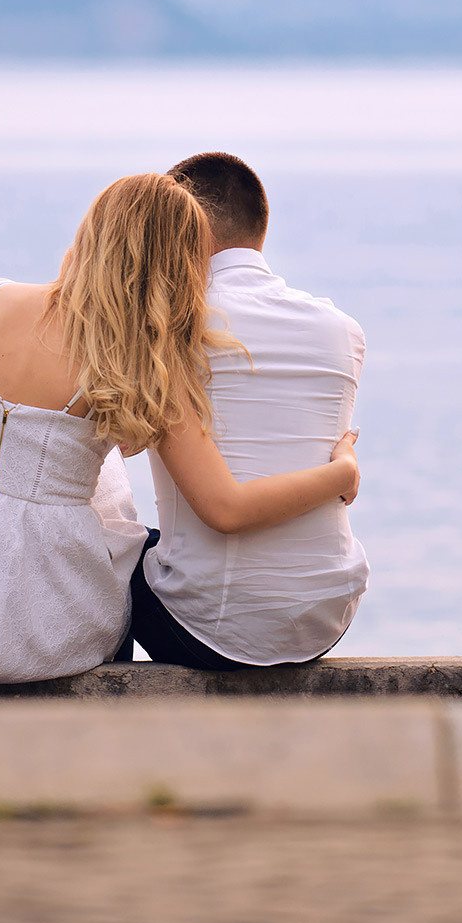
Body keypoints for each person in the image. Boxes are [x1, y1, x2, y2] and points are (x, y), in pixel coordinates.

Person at [0, 172, 359, 684]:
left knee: (124, 535)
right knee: (128, 553)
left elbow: (5, 436)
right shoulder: (127, 362)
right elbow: (224, 506)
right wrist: (340, 474)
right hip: (40, 589)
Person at [127, 153, 371, 670]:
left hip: (213, 629)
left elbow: (223, 510)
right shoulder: (342, 330)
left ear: (180, 226)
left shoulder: (168, 332)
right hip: (327, 614)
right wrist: (340, 473)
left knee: (110, 549)